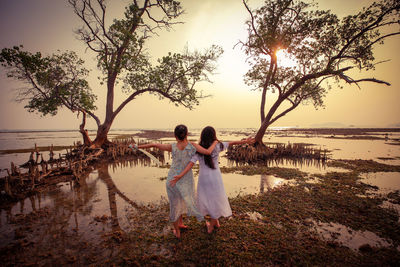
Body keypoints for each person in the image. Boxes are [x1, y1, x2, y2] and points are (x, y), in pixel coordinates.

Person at [134, 124, 218, 238]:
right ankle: (181, 226)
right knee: (183, 201)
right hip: (186, 180)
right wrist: (214, 142)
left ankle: (178, 229)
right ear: (187, 134)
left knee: (175, 204)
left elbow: (154, 144)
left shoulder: (172, 146)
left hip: (172, 179)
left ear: (175, 135)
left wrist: (137, 147)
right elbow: (208, 152)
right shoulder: (192, 146)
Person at [172, 126, 255, 233]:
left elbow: (190, 164)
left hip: (204, 178)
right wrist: (245, 141)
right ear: (213, 135)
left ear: (202, 136)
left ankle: (212, 225)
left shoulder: (198, 149)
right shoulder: (218, 145)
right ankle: (214, 223)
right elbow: (231, 143)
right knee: (215, 198)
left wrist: (180, 175)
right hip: (216, 177)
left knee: (208, 200)